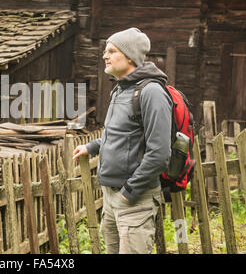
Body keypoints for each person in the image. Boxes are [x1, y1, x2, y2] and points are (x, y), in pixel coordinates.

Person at [72, 28, 172, 254]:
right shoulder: (120, 90)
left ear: (130, 56)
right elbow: (117, 134)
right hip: (111, 198)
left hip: (134, 200)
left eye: (111, 51)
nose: (104, 55)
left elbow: (159, 153)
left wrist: (129, 191)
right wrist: (92, 147)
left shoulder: (151, 92)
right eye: (105, 51)